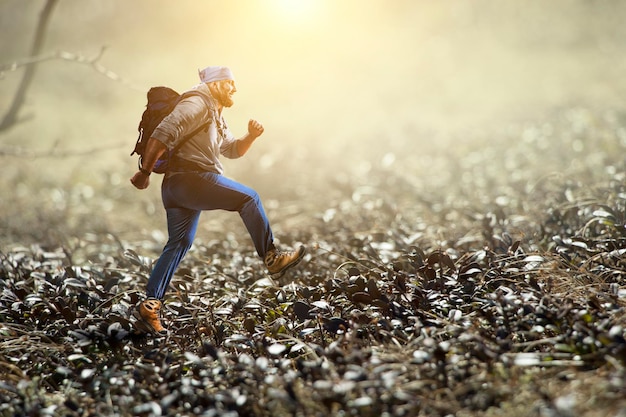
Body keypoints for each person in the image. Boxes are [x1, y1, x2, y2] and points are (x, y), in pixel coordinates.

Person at [130, 66, 305, 335]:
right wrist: (144, 173)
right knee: (249, 198)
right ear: (213, 84)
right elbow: (162, 133)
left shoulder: (214, 112)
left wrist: (251, 137)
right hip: (192, 179)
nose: (234, 88)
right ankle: (271, 257)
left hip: (178, 188)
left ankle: (150, 307)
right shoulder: (196, 103)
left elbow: (232, 150)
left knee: (178, 244)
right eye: (228, 83)